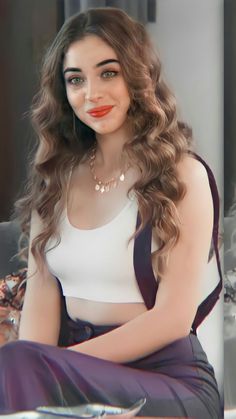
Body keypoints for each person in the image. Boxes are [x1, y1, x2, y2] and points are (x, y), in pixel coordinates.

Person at [0, 7, 222, 418]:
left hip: (169, 381)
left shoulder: (183, 177)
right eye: (75, 80)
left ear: (138, 76)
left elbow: (173, 319)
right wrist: (49, 369)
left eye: (108, 73)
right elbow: (40, 314)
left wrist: (61, 366)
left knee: (18, 363)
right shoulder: (55, 182)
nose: (92, 94)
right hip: (67, 373)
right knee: (17, 363)